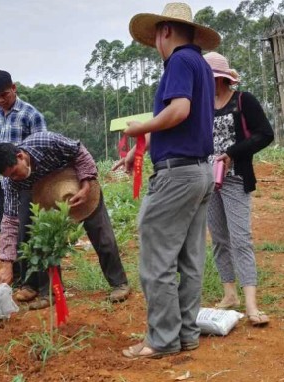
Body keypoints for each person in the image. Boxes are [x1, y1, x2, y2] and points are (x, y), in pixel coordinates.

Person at [116, 3, 220, 358]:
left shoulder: (177, 61)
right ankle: (186, 333)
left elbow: (178, 111)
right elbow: (183, 122)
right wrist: (139, 150)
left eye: (155, 39)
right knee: (190, 258)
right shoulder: (202, 65)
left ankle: (161, 339)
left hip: (177, 176)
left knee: (157, 256)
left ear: (164, 32)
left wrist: (138, 129)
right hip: (200, 172)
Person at [0, 131, 130, 309]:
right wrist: (7, 264)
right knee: (44, 241)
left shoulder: (45, 142)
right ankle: (51, 292)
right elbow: (10, 220)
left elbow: (79, 152)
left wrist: (86, 185)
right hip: (47, 197)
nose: (15, 178)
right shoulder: (11, 181)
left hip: (76, 184)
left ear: (20, 156)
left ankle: (120, 283)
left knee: (102, 235)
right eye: (10, 176)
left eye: (15, 172)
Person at [203, 52, 274, 326]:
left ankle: (252, 305)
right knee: (219, 239)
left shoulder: (243, 101)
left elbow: (265, 134)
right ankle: (229, 294)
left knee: (240, 239)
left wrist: (232, 153)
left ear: (220, 79)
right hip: (209, 180)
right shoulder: (202, 107)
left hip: (234, 178)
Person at [0, 70, 50, 308]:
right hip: (0, 184)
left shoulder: (31, 115)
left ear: (14, 88)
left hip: (25, 185)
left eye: (4, 94)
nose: (1, 100)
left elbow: (41, 150)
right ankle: (17, 277)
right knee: (7, 227)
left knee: (26, 231)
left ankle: (31, 283)